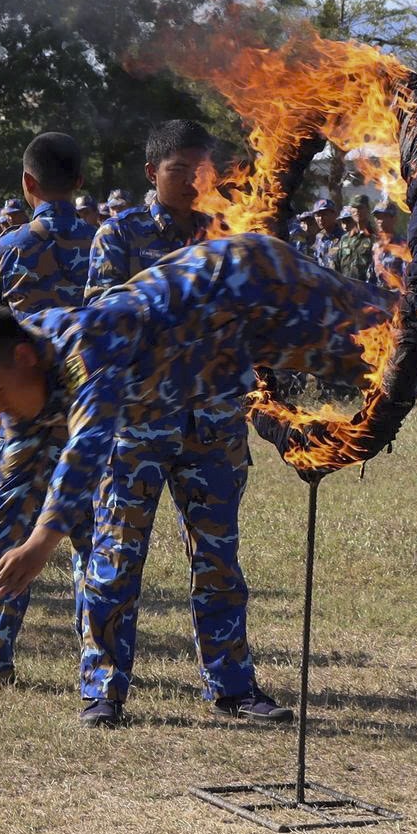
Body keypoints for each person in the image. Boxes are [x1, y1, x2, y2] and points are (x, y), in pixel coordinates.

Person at [0, 232, 417, 725]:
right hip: (221, 346)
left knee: (377, 337)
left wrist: (42, 543)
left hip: (251, 286)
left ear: (22, 358)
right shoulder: (29, 384)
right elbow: (11, 493)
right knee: (376, 358)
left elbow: (87, 446)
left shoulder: (84, 344)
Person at [80, 118, 284, 720]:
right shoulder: (120, 235)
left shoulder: (228, 231)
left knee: (219, 562)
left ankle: (232, 686)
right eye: (180, 170)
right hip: (139, 426)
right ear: (152, 173)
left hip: (214, 426)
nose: (195, 181)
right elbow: (102, 321)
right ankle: (103, 690)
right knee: (117, 560)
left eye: (203, 170)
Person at [0, 132, 97, 687]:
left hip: (19, 415)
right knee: (92, 539)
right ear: (79, 182)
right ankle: (98, 664)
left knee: (6, 528)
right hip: (89, 411)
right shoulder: (104, 244)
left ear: (28, 183)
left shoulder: (5, 250)